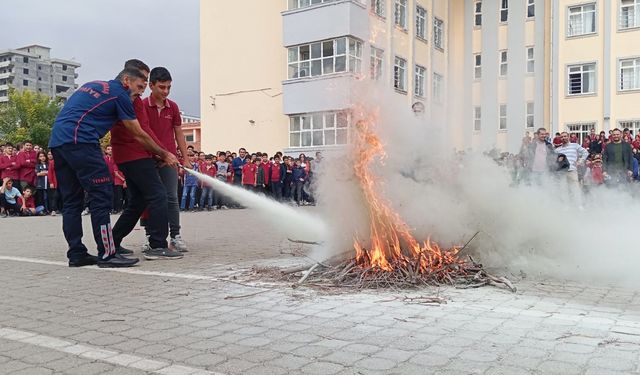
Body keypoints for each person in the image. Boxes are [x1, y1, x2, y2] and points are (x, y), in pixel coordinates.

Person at [48, 65, 178, 268]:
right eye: (139, 86)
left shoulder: (93, 85)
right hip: (82, 142)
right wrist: (164, 153)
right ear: (126, 81)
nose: (140, 92)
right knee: (101, 197)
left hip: (57, 142)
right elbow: (138, 132)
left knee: (72, 201)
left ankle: (76, 254)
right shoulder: (120, 95)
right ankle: (107, 254)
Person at [110, 60, 183, 261]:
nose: (143, 83)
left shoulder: (133, 100)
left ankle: (113, 242)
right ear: (128, 77)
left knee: (137, 202)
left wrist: (162, 153)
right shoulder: (125, 100)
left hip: (133, 155)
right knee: (158, 195)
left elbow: (146, 130)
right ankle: (157, 245)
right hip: (134, 155)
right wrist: (163, 153)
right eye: (141, 80)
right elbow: (141, 133)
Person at [142, 67, 189, 252]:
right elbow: (143, 132)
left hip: (170, 160)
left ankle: (175, 236)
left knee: (171, 197)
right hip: (148, 158)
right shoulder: (143, 106)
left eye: (169, 87)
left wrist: (184, 158)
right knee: (150, 198)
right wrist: (158, 153)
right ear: (151, 85)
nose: (166, 91)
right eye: (162, 87)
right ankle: (150, 236)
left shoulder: (173, 107)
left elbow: (178, 132)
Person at [555, 132, 588, 208]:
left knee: (575, 189)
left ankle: (579, 206)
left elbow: (585, 152)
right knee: (563, 190)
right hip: (561, 172)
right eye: (562, 137)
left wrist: (580, 161)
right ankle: (566, 206)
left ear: (568, 137)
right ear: (560, 138)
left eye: (565, 136)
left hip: (572, 171)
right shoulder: (557, 150)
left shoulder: (575, 146)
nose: (564, 138)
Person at [47, 151, 60, 216]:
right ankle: (53, 209)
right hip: (55, 182)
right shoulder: (52, 162)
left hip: (63, 182)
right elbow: (50, 173)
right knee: (55, 196)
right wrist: (51, 182)